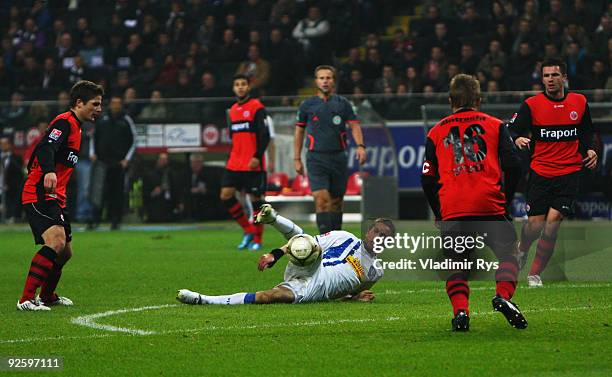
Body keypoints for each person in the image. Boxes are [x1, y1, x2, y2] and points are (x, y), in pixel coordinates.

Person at [421, 74, 526, 331]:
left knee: (457, 263)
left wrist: (439, 212)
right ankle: (502, 295)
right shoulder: (495, 125)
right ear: (479, 100)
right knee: (509, 254)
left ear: (450, 101)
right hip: (489, 203)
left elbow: (426, 178)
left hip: (453, 206)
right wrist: (507, 200)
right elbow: (513, 164)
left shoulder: (435, 132)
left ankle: (461, 312)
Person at [177, 204, 394, 305]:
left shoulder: (375, 272)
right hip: (309, 265)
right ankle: (273, 218)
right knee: (307, 242)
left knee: (269, 297)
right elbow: (305, 243)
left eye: (383, 236)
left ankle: (203, 300)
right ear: (368, 230)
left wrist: (355, 298)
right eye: (375, 231)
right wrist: (275, 254)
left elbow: (352, 292)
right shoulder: (343, 236)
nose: (377, 236)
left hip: (315, 288)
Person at [510, 58, 598, 287]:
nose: (550, 79)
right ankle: (522, 249)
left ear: (564, 78)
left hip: (569, 173)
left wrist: (590, 149)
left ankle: (534, 274)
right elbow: (512, 128)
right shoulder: (532, 104)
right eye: (546, 76)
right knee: (535, 225)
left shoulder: (579, 102)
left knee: (552, 224)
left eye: (554, 75)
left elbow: (587, 130)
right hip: (540, 173)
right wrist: (517, 137)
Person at [18, 80, 103, 311]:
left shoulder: (77, 128)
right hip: (40, 192)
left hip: (57, 196)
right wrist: (48, 172)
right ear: (79, 102)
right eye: (95, 104)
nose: (99, 109)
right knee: (55, 242)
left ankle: (47, 296)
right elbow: (46, 147)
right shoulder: (65, 121)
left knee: (65, 252)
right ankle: (26, 299)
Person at [294, 65, 366, 234]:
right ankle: (325, 241)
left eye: (328, 78)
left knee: (336, 202)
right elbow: (299, 131)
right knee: (321, 200)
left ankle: (337, 241)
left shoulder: (343, 104)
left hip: (338, 157)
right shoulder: (307, 105)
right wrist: (296, 158)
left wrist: (361, 146)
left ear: (333, 81)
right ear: (316, 81)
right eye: (321, 78)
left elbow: (354, 126)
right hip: (315, 158)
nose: (325, 81)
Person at [220, 74, 271, 251]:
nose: (240, 87)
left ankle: (257, 239)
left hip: (252, 163)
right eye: (237, 84)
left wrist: (257, 156)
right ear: (234, 88)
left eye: (243, 84)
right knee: (225, 195)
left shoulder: (257, 107)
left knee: (256, 200)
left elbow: (265, 135)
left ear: (248, 87)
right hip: (235, 162)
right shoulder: (232, 110)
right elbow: (234, 138)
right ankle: (248, 230)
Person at [90, 95, 137, 230]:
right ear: (109, 105)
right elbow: (94, 137)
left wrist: (126, 159)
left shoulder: (126, 120)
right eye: (113, 103)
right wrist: (92, 153)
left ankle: (115, 220)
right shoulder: (102, 119)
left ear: (121, 105)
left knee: (117, 193)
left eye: (118, 104)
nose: (115, 106)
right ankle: (95, 220)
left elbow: (134, 140)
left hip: (118, 163)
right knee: (98, 192)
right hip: (102, 162)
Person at [0, 136, 23, 223]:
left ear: (9, 145)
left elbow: (19, 171)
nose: (3, 146)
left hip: (13, 185)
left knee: (13, 202)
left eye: (5, 144)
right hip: (1, 185)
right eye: (1, 144)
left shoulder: (16, 158)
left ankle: (14, 217)